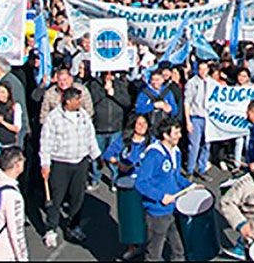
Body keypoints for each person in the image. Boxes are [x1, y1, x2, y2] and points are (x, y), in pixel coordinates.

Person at [38, 87, 101, 247]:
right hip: (60, 163)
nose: (80, 102)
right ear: (68, 101)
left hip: (80, 162)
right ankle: (51, 229)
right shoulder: (53, 118)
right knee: (56, 198)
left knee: (77, 197)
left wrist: (96, 155)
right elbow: (45, 141)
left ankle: (73, 226)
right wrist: (45, 163)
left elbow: (90, 136)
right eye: (77, 99)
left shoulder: (83, 115)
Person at [135, 120, 193, 262]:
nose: (180, 136)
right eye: (176, 133)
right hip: (157, 212)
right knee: (154, 253)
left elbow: (176, 176)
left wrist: (190, 186)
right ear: (165, 135)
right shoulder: (154, 155)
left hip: (173, 209)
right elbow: (141, 183)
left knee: (179, 250)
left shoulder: (176, 152)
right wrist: (161, 196)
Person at [104, 113, 150, 259]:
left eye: (144, 123)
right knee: (130, 218)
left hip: (145, 184)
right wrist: (118, 163)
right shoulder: (124, 140)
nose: (142, 126)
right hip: (127, 184)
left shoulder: (151, 143)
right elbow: (108, 154)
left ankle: (149, 247)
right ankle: (132, 246)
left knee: (147, 218)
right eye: (139, 123)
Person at [0, 146, 28, 262]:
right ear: (17, 165)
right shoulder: (13, 196)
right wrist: (22, 258)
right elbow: (16, 231)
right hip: (3, 252)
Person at [183, 61, 212, 179]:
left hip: (209, 119)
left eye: (205, 69)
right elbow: (187, 102)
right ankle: (190, 169)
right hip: (196, 117)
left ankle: (202, 168)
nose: (203, 72)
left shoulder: (211, 82)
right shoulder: (192, 82)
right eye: (200, 69)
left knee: (207, 145)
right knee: (194, 145)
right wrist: (188, 121)